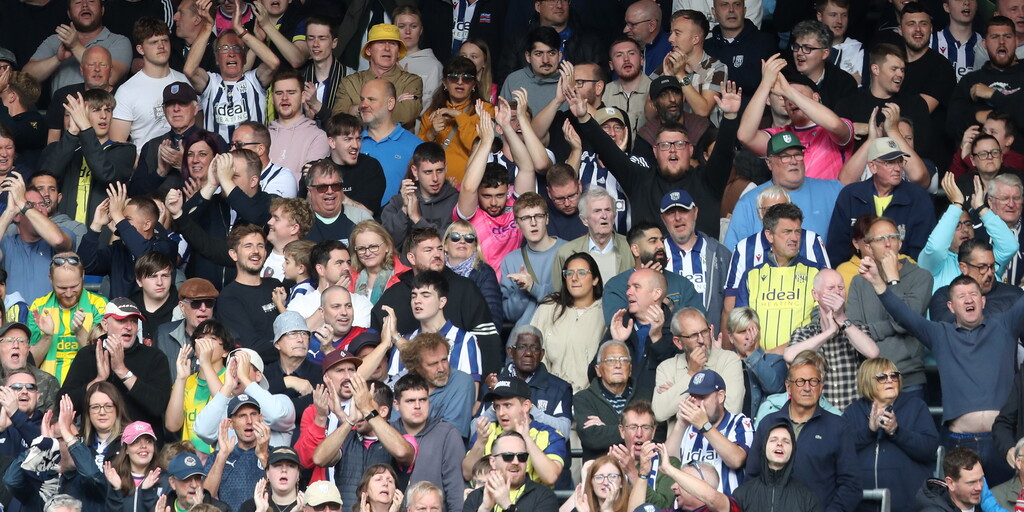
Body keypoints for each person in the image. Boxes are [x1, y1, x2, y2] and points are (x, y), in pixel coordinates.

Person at [860, 256, 1024, 484]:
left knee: (1008, 501)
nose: (969, 299)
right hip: (960, 443)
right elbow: (904, 315)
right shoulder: (939, 334)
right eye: (961, 296)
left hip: (1003, 441)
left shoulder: (1004, 325)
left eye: (973, 294)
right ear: (951, 306)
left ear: (983, 301)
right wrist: (878, 283)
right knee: (959, 502)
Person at [571, 74, 740, 237]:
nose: (672, 150)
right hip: (651, 258)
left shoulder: (708, 180)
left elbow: (723, 154)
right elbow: (608, 151)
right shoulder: (640, 180)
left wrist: (730, 117)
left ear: (690, 150)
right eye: (665, 145)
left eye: (679, 144)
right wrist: (584, 118)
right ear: (655, 152)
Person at [371, 228, 502, 376]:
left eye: (439, 249)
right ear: (411, 258)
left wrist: (488, 384)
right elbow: (373, 345)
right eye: (428, 250)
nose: (437, 254)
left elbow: (488, 342)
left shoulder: (465, 288)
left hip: (461, 382)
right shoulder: (394, 296)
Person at [744, 350, 861, 511]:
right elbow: (752, 476)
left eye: (813, 381)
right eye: (800, 381)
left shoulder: (838, 427)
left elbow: (851, 486)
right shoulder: (768, 423)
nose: (807, 388)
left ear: (821, 387)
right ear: (788, 387)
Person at [723, 185, 830, 330]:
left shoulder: (811, 241)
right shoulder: (745, 247)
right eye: (769, 209)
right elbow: (731, 304)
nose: (777, 214)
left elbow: (828, 290)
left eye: (782, 208)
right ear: (759, 213)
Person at [58, 297, 172, 431]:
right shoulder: (88, 355)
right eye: (121, 320)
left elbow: (158, 406)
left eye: (134, 321)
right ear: (105, 325)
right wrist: (98, 380)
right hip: (96, 441)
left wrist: (122, 371)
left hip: (141, 441)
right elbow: (63, 405)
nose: (129, 327)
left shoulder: (154, 357)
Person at [841, 357, 938, 512]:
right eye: (882, 377)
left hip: (908, 506)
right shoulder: (852, 412)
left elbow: (929, 449)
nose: (890, 380)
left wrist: (896, 431)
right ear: (868, 381)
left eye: (894, 375)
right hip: (861, 505)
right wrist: (869, 431)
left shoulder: (916, 406)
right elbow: (839, 451)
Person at [312, 375, 415, 512]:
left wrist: (367, 409)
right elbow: (319, 459)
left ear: (383, 411)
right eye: (356, 405)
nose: (359, 411)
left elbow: (402, 452)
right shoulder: (347, 437)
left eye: (362, 405)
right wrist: (350, 420)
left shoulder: (402, 438)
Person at [183, 0, 280, 141]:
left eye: (237, 48)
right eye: (224, 48)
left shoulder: (254, 81)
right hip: (218, 154)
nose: (231, 53)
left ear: (245, 58)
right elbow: (189, 70)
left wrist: (240, 30)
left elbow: (274, 63)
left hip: (251, 154)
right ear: (217, 59)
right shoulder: (211, 83)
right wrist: (207, 27)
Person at [785, 269, 880, 411]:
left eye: (841, 288)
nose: (837, 292)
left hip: (853, 416)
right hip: (820, 418)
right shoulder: (805, 332)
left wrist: (841, 319)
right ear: (815, 295)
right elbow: (789, 356)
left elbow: (873, 353)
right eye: (830, 288)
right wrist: (829, 332)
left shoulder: (857, 330)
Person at [455, 103, 536, 269]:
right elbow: (468, 187)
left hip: (513, 281)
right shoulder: (471, 213)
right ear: (478, 193)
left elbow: (527, 168)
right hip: (479, 281)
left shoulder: (515, 207)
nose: (493, 203)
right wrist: (486, 142)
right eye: (487, 196)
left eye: (500, 195)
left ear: (508, 191)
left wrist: (506, 127)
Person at [733, 204, 820, 354]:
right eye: (787, 232)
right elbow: (741, 327)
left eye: (797, 232)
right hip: (759, 363)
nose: (794, 238)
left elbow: (820, 326)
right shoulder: (751, 275)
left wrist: (777, 352)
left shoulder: (817, 273)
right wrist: (759, 359)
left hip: (803, 361)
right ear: (769, 235)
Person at [41, 89, 135, 227]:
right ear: (82, 114)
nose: (103, 116)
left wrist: (85, 127)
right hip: (64, 230)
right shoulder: (65, 148)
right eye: (96, 110)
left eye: (108, 110)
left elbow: (106, 174)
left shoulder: (124, 150)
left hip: (103, 231)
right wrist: (72, 132)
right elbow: (46, 177)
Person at [921, 174, 1018, 293]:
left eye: (968, 224)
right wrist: (957, 204)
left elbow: (1010, 246)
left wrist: (981, 207)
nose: (965, 229)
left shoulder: (987, 258)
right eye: (957, 225)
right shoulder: (933, 263)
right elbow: (935, 247)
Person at [664, 369, 753, 495]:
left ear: (720, 396)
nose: (696, 403)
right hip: (688, 504)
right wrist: (681, 424)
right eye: (693, 397)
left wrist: (704, 426)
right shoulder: (688, 427)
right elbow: (668, 463)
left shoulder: (739, 422)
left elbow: (736, 460)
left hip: (725, 502)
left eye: (702, 397)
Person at [463, 378, 567, 486]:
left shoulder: (549, 434)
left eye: (507, 405)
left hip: (531, 497)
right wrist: (480, 442)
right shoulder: (486, 431)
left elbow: (550, 477)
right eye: (497, 406)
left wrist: (527, 439)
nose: (501, 413)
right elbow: (467, 474)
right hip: (488, 496)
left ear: (526, 406)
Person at [385, 271, 483, 385]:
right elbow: (393, 389)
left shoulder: (465, 340)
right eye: (414, 296)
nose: (417, 301)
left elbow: (471, 391)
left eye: (425, 295)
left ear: (442, 302)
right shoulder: (402, 341)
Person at [80, 187, 177, 299]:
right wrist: (96, 225)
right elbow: (85, 265)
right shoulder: (117, 250)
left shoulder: (166, 246)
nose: (118, 221)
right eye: (120, 218)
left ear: (146, 225)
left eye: (127, 219)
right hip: (119, 310)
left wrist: (117, 213)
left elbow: (147, 257)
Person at [530, 253, 605, 393]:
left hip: (590, 396)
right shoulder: (549, 308)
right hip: (549, 394)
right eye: (569, 273)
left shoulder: (605, 313)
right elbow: (532, 350)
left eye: (582, 273)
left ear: (595, 279)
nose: (574, 278)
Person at [109, 18, 189, 150]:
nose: (161, 46)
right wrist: (140, 163)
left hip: (184, 159)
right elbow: (118, 146)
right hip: (145, 161)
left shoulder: (185, 81)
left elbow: (198, 129)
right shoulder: (126, 91)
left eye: (165, 40)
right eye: (154, 42)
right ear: (140, 49)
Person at [652, 308, 743, 422]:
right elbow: (659, 414)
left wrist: (678, 401)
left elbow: (731, 412)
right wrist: (692, 373)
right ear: (678, 342)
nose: (701, 340)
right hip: (680, 435)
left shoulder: (729, 360)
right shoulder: (666, 368)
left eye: (704, 332)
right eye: (693, 335)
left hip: (716, 434)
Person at [392, 373, 466, 512]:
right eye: (410, 401)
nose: (417, 406)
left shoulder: (447, 434)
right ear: (396, 404)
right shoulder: (389, 433)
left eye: (423, 400)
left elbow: (456, 490)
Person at [602, 221, 703, 322]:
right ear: (635, 249)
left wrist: (667, 303)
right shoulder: (615, 286)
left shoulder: (682, 283)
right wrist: (645, 285)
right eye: (653, 241)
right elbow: (617, 324)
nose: (661, 246)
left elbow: (699, 322)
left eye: (662, 241)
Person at [23, 0, 131, 93]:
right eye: (78, 2)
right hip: (62, 108)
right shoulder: (56, 40)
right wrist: (57, 59)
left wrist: (75, 46)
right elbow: (26, 77)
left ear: (102, 10)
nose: (85, 5)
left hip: (101, 110)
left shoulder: (119, 41)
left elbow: (111, 77)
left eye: (91, 1)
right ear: (69, 14)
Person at [484, 325, 573, 436]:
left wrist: (528, 409)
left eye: (534, 348)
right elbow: (474, 430)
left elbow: (564, 432)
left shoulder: (559, 388)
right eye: (522, 347)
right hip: (502, 446)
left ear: (542, 354)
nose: (528, 353)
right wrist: (497, 403)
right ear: (511, 352)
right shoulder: (494, 384)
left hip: (543, 447)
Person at [418, 57, 494, 185]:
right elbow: (418, 155)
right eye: (453, 78)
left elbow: (481, 148)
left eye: (467, 78)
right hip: (435, 185)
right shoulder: (431, 113)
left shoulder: (485, 110)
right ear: (445, 83)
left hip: (471, 185)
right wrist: (431, 133)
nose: (460, 82)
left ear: (474, 84)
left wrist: (459, 116)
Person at [0, 175, 76, 302]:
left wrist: (23, 205)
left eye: (42, 204)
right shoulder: (7, 244)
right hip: (15, 315)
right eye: (31, 205)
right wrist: (10, 212)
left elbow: (58, 240)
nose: (39, 209)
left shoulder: (64, 233)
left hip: (51, 315)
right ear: (17, 217)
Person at [333, 23, 423, 130]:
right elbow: (338, 122)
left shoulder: (411, 81)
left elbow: (406, 115)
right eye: (381, 43)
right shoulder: (350, 82)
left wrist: (357, 109)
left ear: (398, 52)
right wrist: (390, 107)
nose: (387, 48)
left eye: (392, 43)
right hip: (360, 141)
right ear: (368, 50)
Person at [575, 340, 653, 461]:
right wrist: (636, 431)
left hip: (640, 466)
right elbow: (592, 438)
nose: (618, 365)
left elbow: (657, 434)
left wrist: (606, 427)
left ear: (630, 369)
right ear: (598, 370)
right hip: (600, 469)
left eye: (624, 360)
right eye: (611, 360)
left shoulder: (646, 395)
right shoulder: (584, 398)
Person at [164, 319, 233, 454]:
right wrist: (181, 379)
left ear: (225, 351)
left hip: (221, 455)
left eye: (212, 338)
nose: (205, 342)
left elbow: (226, 408)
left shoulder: (231, 377)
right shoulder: (187, 381)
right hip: (191, 459)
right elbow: (172, 425)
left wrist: (205, 363)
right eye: (200, 338)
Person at [499, 192, 566, 327]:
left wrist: (533, 287)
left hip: (560, 331)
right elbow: (509, 315)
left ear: (547, 219)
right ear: (517, 223)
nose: (533, 223)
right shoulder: (510, 260)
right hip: (526, 336)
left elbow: (572, 300)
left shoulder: (568, 251)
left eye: (539, 216)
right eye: (526, 218)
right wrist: (522, 289)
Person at [397, 331, 477, 440]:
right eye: (433, 364)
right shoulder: (405, 382)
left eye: (444, 360)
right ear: (417, 367)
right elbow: (393, 427)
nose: (441, 369)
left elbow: (450, 436)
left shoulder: (462, 382)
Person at [381, 142, 459, 251]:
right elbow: (388, 246)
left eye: (439, 170)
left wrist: (417, 219)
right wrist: (404, 210)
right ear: (415, 171)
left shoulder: (456, 201)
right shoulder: (397, 201)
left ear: (446, 168)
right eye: (428, 172)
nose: (435, 178)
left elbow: (454, 243)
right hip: (407, 262)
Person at [732, 419, 819, 512]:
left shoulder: (807, 499)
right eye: (773, 440)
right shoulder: (742, 494)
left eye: (786, 441)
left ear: (793, 451)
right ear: (764, 447)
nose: (779, 444)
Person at [360, 78, 424, 204]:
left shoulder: (415, 146)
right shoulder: (352, 143)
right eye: (362, 99)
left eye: (371, 99)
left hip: (398, 216)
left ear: (390, 103)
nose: (363, 105)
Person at [463, 431, 559, 512]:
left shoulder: (544, 496)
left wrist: (507, 505)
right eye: (508, 456)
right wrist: (485, 509)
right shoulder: (475, 497)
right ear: (493, 462)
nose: (516, 462)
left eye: (522, 457)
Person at [268, 69, 330, 182]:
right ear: (272, 98)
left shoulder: (318, 137)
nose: (284, 97)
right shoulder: (263, 135)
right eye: (279, 93)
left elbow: (310, 182)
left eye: (291, 92)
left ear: (303, 97)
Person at [262, 312, 323, 422]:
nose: (300, 339)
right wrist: (287, 381)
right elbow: (256, 404)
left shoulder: (320, 373)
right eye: (292, 333)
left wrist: (272, 402)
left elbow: (309, 408)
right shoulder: (266, 374)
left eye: (304, 333)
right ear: (277, 344)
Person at [323, 113, 387, 217]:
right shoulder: (317, 169)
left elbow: (367, 214)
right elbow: (304, 213)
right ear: (332, 142)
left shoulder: (371, 167)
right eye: (348, 139)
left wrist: (337, 195)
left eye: (358, 139)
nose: (356, 145)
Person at [443, 221, 503, 327]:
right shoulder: (436, 271)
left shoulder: (485, 273)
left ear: (475, 247)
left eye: (469, 238)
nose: (462, 241)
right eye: (455, 237)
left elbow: (493, 317)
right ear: (445, 245)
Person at [0, 321, 59, 412]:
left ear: (28, 349)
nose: (16, 345)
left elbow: (54, 419)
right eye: (9, 340)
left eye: (21, 341)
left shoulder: (48, 382)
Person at [350, 221, 406, 305]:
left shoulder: (406, 276)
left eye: (373, 246)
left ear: (387, 246)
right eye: (361, 248)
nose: (367, 253)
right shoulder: (348, 278)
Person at [915, 447, 986, 512]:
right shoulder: (932, 510)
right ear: (951, 483)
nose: (979, 487)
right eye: (971, 482)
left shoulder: (982, 507)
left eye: (981, 479)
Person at [235, 447, 303, 512]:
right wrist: (260, 510)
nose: (284, 470)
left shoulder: (308, 505)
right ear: (267, 473)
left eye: (291, 465)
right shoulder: (250, 506)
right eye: (277, 465)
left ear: (298, 474)